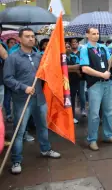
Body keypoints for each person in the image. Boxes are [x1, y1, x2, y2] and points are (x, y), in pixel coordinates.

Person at [4, 28, 61, 174]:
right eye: (27, 36)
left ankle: (45, 149)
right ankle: (16, 160)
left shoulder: (38, 57)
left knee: (42, 126)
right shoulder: (13, 58)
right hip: (22, 100)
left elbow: (46, 73)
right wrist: (23, 87)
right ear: (20, 39)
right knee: (20, 131)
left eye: (32, 36)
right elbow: (7, 79)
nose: (31, 39)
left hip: (39, 98)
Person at [80, 27, 112, 151]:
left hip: (107, 84)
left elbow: (109, 64)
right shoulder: (85, 49)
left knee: (108, 112)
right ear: (87, 35)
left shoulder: (102, 48)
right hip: (95, 85)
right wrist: (102, 75)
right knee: (94, 114)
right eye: (93, 34)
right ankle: (92, 139)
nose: (96, 36)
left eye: (97, 33)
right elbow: (85, 69)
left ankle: (108, 135)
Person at [66, 42, 82, 124]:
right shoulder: (61, 57)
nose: (68, 48)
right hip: (65, 82)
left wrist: (70, 69)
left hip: (74, 81)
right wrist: (74, 69)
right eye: (66, 47)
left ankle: (72, 116)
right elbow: (62, 68)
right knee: (65, 100)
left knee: (72, 99)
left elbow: (79, 66)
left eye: (69, 47)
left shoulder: (74, 56)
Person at [71, 38, 87, 117]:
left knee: (81, 94)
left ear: (78, 43)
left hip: (81, 76)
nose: (74, 43)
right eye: (72, 42)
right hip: (71, 77)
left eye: (75, 42)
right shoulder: (68, 53)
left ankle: (83, 109)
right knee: (72, 95)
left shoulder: (81, 52)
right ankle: (72, 112)